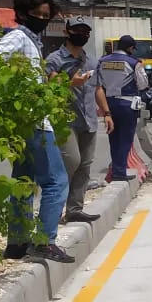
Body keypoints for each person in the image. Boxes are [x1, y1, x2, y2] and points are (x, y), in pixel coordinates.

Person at [0, 0, 75, 264]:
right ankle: (44, 242)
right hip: (34, 121)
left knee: (24, 182)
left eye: (46, 16)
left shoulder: (32, 42)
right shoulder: (18, 37)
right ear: (24, 14)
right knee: (56, 181)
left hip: (23, 120)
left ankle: (17, 242)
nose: (42, 19)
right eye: (38, 15)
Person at [45, 17, 114, 224]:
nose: (82, 34)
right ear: (67, 32)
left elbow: (98, 89)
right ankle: (53, 212)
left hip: (89, 121)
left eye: (85, 31)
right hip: (65, 121)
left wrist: (107, 113)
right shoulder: (55, 59)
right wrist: (69, 81)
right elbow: (50, 83)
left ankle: (74, 209)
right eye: (77, 30)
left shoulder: (91, 60)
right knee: (70, 162)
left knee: (85, 165)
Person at [98, 35, 149, 183]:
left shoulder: (102, 61)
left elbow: (97, 83)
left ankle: (116, 169)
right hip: (127, 104)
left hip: (108, 104)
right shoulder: (134, 63)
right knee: (125, 139)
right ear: (130, 48)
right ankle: (119, 172)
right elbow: (143, 84)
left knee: (113, 139)